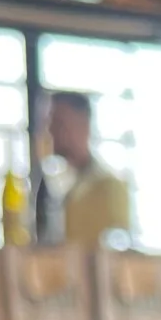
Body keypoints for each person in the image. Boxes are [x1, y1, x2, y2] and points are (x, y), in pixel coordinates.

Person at [45, 90, 132, 248]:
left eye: (59, 123)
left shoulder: (110, 188)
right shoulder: (52, 186)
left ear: (83, 124)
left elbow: (119, 251)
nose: (50, 131)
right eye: (49, 123)